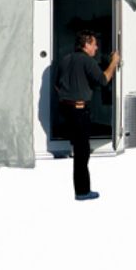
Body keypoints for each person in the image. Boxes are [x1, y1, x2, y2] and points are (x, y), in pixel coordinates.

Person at [54, 30, 120, 201]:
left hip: (66, 110)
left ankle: (82, 190)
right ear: (86, 45)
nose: (96, 48)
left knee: (79, 149)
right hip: (79, 111)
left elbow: (57, 85)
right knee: (82, 153)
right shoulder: (87, 61)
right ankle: (82, 192)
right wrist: (114, 62)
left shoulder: (65, 59)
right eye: (94, 44)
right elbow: (103, 80)